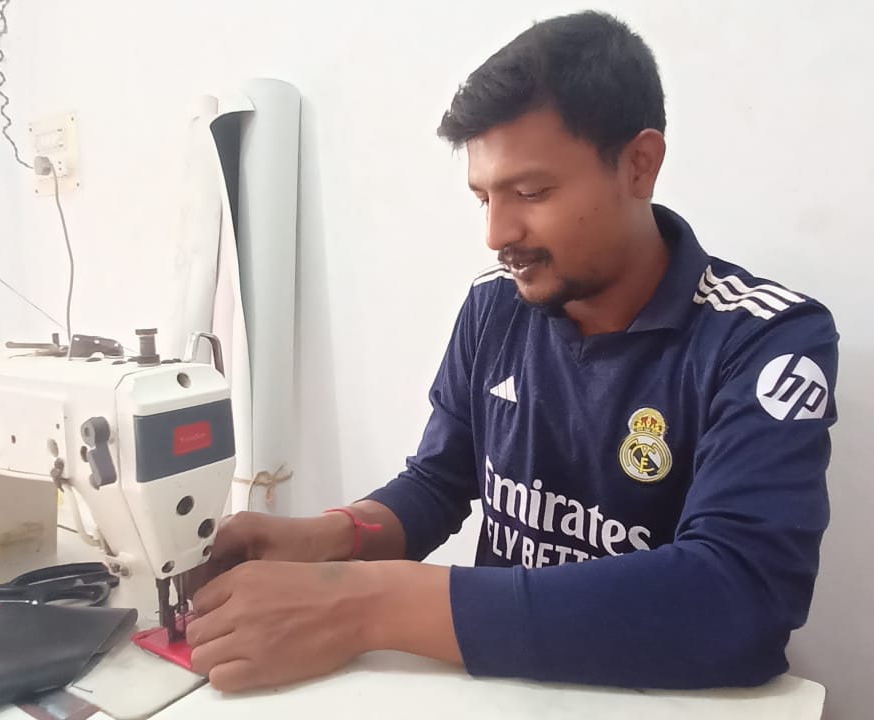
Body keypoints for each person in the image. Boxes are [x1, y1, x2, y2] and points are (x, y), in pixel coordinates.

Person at [186, 10, 840, 693]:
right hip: (500, 691)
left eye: (531, 193)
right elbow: (438, 484)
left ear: (640, 165)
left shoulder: (765, 340)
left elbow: (738, 599)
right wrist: (328, 538)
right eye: (484, 199)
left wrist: (367, 604)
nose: (498, 233)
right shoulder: (495, 305)